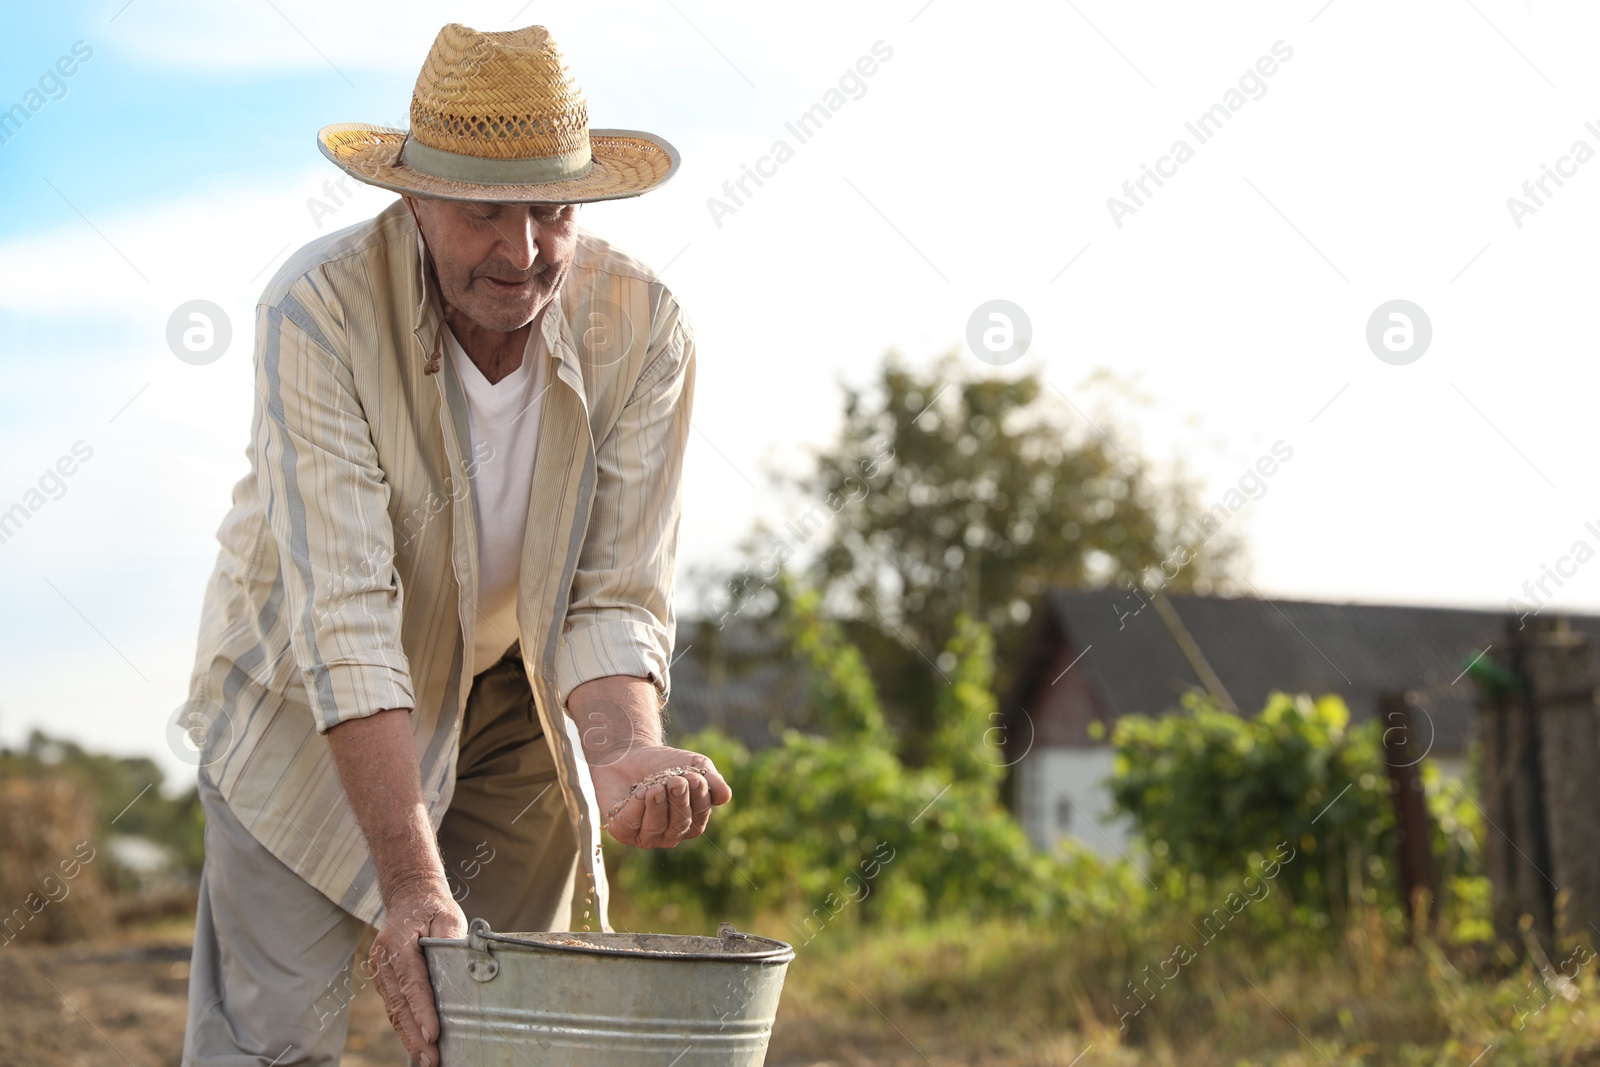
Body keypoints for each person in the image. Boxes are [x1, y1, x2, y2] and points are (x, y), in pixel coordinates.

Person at [179, 23, 728, 1067]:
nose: (523, 253)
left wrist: (621, 748)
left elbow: (613, 594)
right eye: (484, 212)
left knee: (511, 1034)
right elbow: (342, 614)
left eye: (552, 211)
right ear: (415, 196)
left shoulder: (644, 325)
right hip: (305, 704)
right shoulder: (318, 311)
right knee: (272, 1043)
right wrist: (413, 884)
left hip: (516, 708)